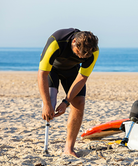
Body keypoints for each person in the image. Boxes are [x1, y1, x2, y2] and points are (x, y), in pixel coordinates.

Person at [38, 28, 99, 157]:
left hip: (72, 72)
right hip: (51, 70)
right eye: (78, 53)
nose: (80, 57)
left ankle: (69, 148)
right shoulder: (56, 42)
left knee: (79, 102)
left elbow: (82, 78)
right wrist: (47, 104)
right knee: (50, 103)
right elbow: (42, 74)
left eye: (84, 56)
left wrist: (66, 102)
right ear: (74, 41)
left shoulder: (93, 51)